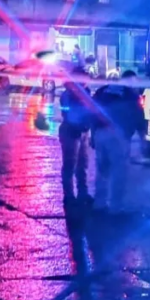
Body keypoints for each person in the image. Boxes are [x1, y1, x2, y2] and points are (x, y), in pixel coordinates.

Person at [91, 70, 144, 213]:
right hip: (118, 135)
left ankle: (99, 203)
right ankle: (115, 206)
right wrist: (143, 138)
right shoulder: (130, 94)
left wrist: (93, 135)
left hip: (100, 133)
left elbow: (92, 111)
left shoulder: (102, 90)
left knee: (102, 170)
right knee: (118, 171)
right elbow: (139, 117)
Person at [59, 69, 94, 206]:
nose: (86, 82)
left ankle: (82, 193)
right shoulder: (68, 94)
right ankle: (69, 196)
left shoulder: (86, 92)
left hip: (83, 132)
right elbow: (67, 113)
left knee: (83, 164)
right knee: (70, 165)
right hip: (71, 132)